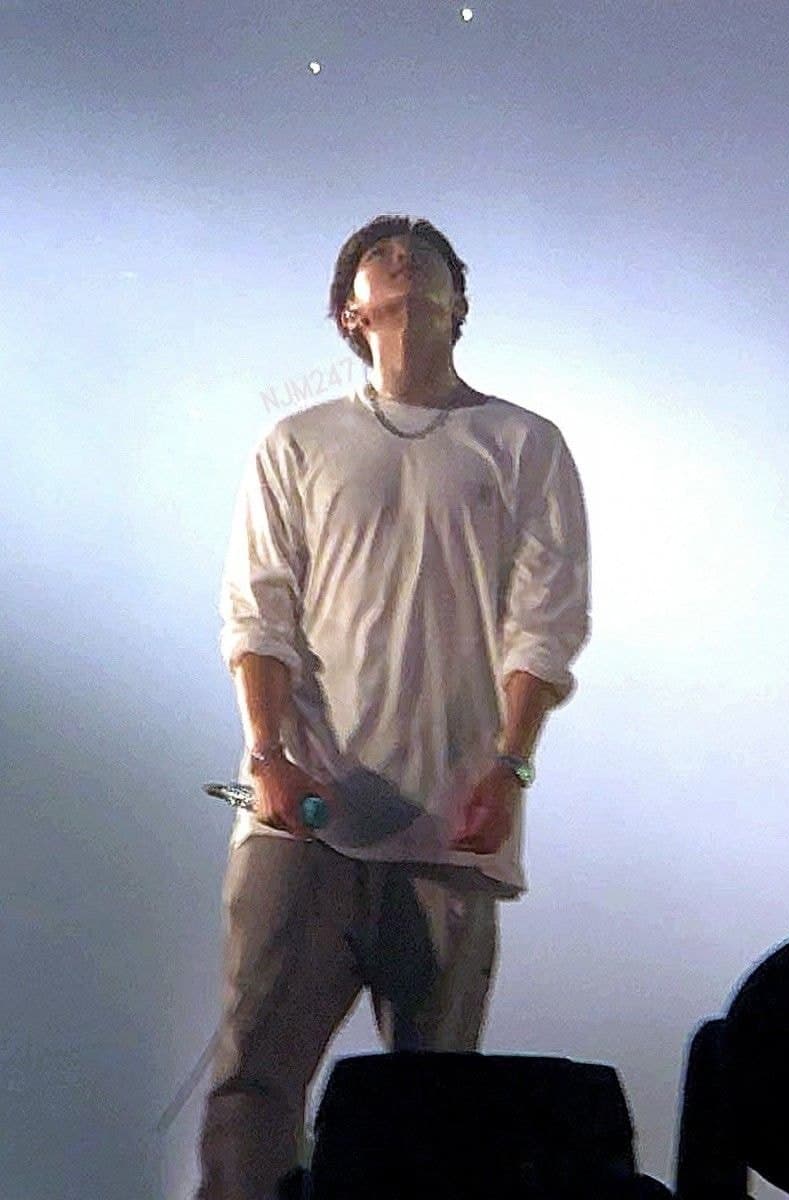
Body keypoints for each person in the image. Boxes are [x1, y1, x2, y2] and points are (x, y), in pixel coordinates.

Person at [194, 214, 592, 1200]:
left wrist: (510, 765)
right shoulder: (296, 442)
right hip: (306, 818)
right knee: (253, 1082)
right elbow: (257, 611)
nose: (403, 258)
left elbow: (545, 623)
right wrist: (267, 754)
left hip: (451, 831)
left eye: (427, 256)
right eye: (379, 255)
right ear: (350, 312)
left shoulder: (524, 444)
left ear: (460, 303)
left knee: (435, 1116)